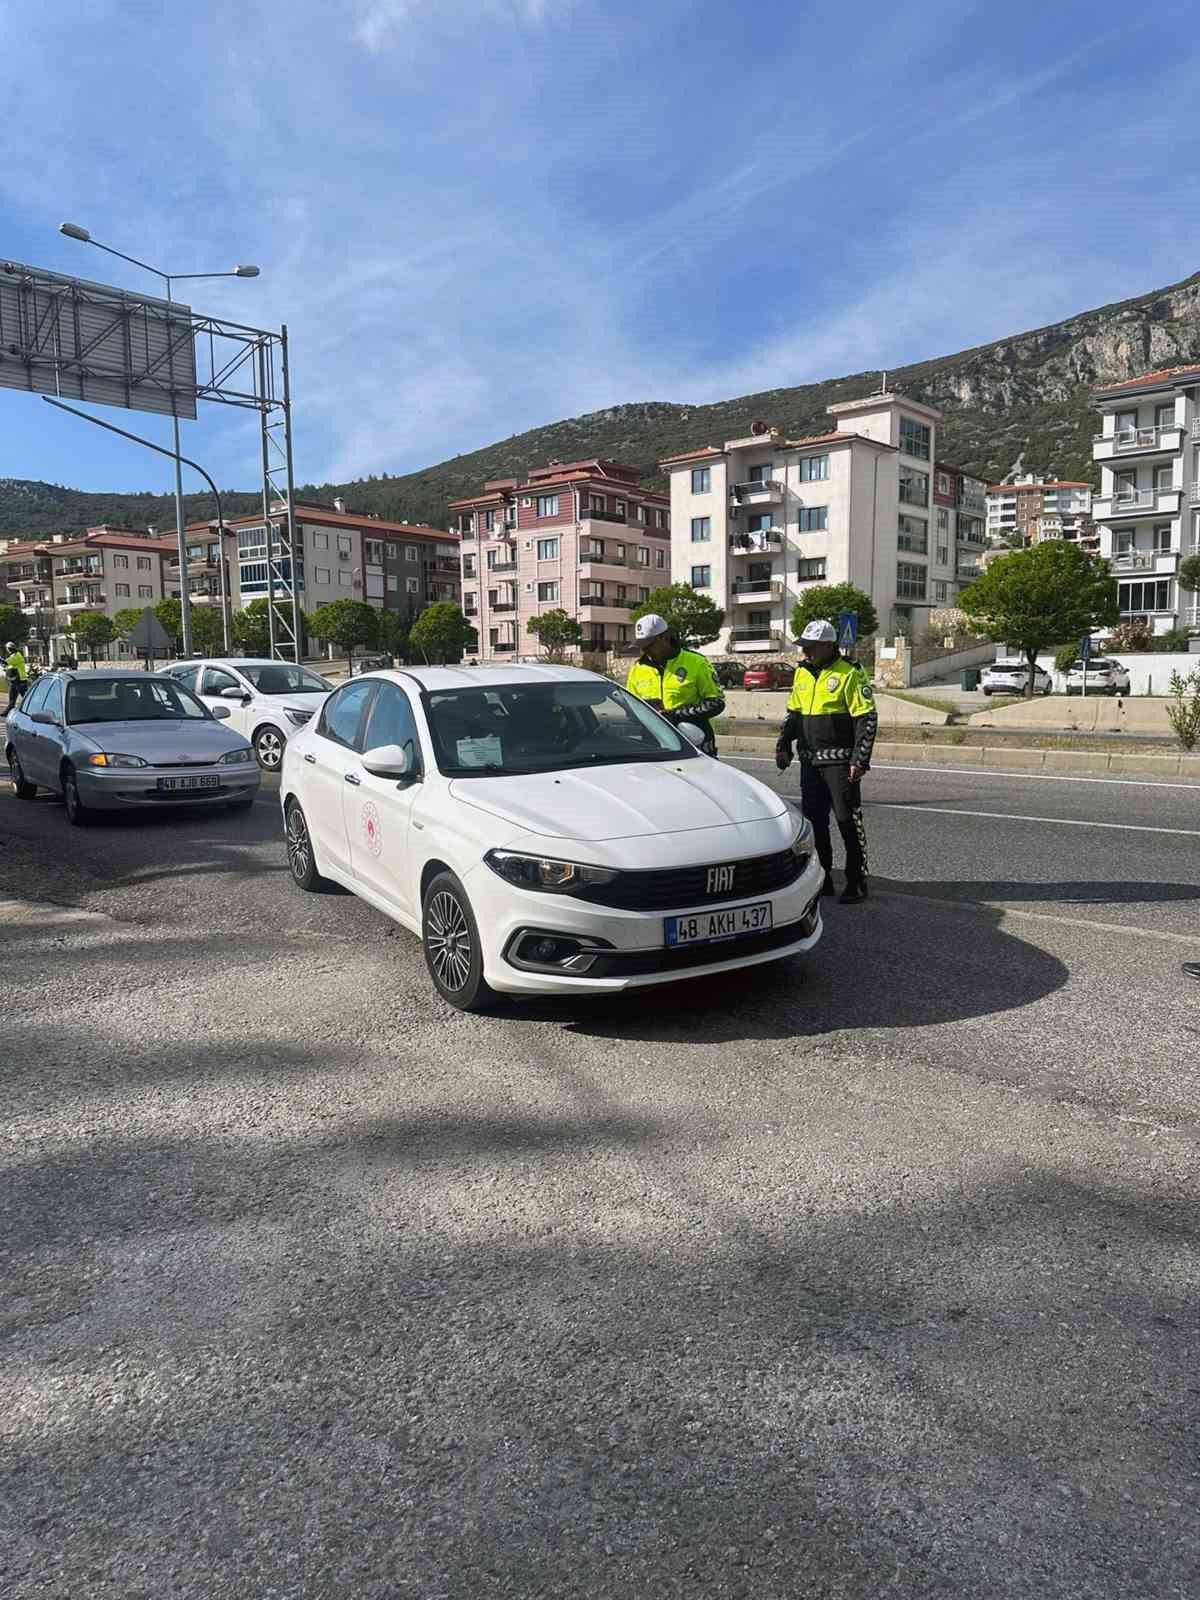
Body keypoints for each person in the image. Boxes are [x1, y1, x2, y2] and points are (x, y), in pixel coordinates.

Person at [774, 619, 877, 905]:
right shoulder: (803, 673)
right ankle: (825, 878)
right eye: (804, 646)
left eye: (811, 647)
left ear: (829, 645)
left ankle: (857, 881)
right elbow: (793, 714)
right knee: (815, 823)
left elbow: (866, 718)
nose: (805, 652)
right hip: (809, 762)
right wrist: (784, 745)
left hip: (840, 763)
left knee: (847, 820)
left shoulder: (850, 673)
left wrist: (861, 758)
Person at [625, 613, 726, 754]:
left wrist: (676, 715)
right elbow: (630, 709)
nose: (645, 650)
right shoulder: (637, 669)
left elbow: (716, 703)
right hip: (654, 747)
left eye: (649, 645)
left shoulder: (696, 662)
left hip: (695, 744)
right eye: (642, 645)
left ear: (664, 637)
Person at [5, 640, 29, 715]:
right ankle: (8, 711)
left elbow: (6, 662)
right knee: (12, 698)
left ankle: (31, 711)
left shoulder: (17, 655)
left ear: (9, 649)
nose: (7, 650)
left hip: (21, 680)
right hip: (15, 680)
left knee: (26, 698)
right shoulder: (13, 656)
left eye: (7, 649)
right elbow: (9, 666)